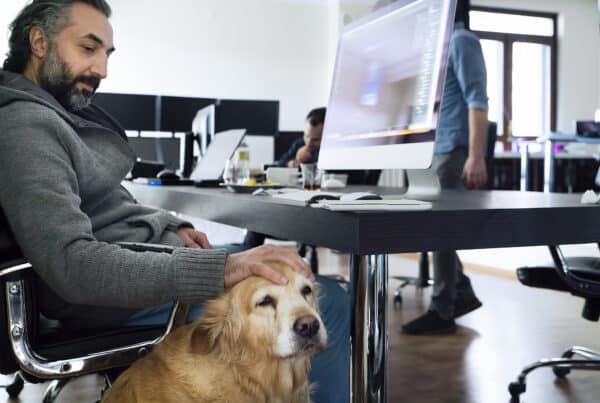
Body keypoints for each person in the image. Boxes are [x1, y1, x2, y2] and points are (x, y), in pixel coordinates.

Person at [0, 2, 348, 402]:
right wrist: (220, 268)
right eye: (88, 48)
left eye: (106, 54)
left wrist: (171, 226)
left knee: (280, 271)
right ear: (39, 42)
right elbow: (72, 265)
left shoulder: (52, 115)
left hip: (151, 264)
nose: (102, 69)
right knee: (331, 300)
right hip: (111, 298)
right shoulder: (26, 127)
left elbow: (106, 206)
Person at [401, 0, 489, 334]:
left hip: (453, 150)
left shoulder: (462, 40)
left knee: (440, 229)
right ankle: (459, 291)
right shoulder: (438, 48)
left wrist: (475, 155)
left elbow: (477, 99)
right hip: (433, 151)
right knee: (434, 229)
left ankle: (443, 308)